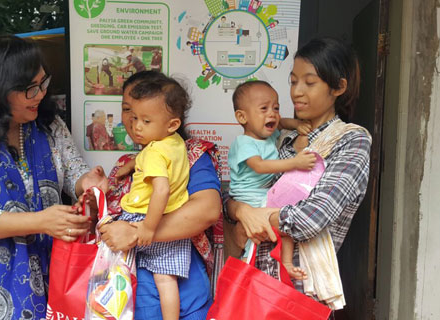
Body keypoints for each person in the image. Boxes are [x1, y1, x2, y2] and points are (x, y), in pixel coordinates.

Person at [0, 35, 108, 320]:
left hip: (54, 267)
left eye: (43, 83)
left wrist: (86, 183)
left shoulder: (49, 125)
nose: (40, 94)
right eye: (30, 88)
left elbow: (74, 173)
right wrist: (40, 221)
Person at [225, 37, 372, 302]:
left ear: (338, 87)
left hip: (298, 292)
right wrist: (241, 210)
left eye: (310, 82)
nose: (296, 92)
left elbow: (310, 219)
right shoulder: (281, 139)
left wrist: (252, 217)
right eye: (293, 81)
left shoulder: (351, 140)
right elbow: (239, 194)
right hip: (252, 282)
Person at [98, 70, 222, 320]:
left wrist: (135, 233)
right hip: (126, 294)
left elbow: (207, 210)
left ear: (171, 120)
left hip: (181, 292)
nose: (134, 122)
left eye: (144, 115)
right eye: (128, 111)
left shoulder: (192, 156)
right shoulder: (127, 163)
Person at [116, 75, 191, 319]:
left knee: (115, 267)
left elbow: (161, 189)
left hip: (144, 218)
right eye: (134, 117)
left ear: (172, 124)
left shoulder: (154, 153)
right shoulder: (175, 143)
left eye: (146, 120)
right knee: (166, 280)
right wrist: (132, 164)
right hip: (174, 220)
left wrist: (147, 228)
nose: (137, 126)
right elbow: (156, 154)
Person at [228, 80, 316, 280]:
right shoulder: (244, 142)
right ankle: (245, 265)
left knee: (285, 223)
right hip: (249, 196)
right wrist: (295, 163)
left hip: (263, 193)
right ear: (242, 117)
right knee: (272, 226)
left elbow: (283, 122)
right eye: (264, 108)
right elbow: (259, 166)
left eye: (276, 108)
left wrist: (297, 124)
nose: (272, 114)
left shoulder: (268, 135)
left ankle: (285, 264)